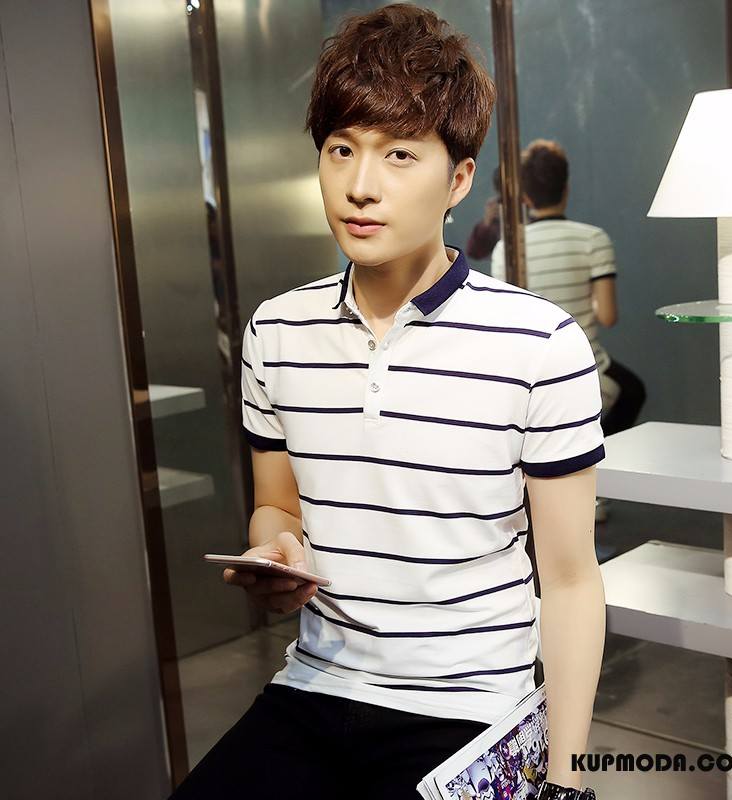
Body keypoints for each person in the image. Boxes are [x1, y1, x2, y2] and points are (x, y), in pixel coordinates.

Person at [169, 6, 601, 799]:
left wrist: (566, 782)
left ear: (459, 179)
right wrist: (276, 553)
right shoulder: (277, 331)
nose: (360, 186)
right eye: (341, 149)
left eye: (399, 153)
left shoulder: (540, 344)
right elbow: (277, 507)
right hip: (316, 684)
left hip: (471, 708)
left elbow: (571, 581)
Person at [490, 139, 645, 522]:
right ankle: (595, 488)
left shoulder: (507, 247)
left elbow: (507, 319)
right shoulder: (593, 238)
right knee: (632, 391)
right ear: (567, 187)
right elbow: (607, 315)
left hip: (527, 369)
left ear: (525, 196)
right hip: (586, 364)